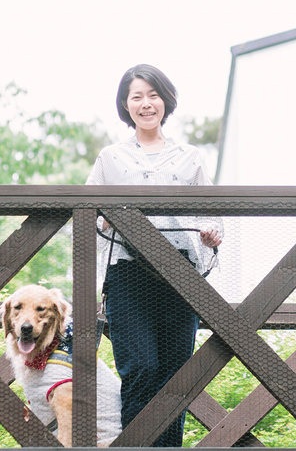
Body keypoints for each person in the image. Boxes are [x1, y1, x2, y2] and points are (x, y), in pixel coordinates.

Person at [85, 64, 222, 447]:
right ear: (125, 105)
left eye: (153, 94)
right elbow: (86, 211)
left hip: (181, 271)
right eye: (137, 96)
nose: (146, 104)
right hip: (128, 271)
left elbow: (210, 214)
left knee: (176, 377)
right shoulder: (110, 157)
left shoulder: (189, 156)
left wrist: (212, 234)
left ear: (166, 100)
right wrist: (103, 222)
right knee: (141, 368)